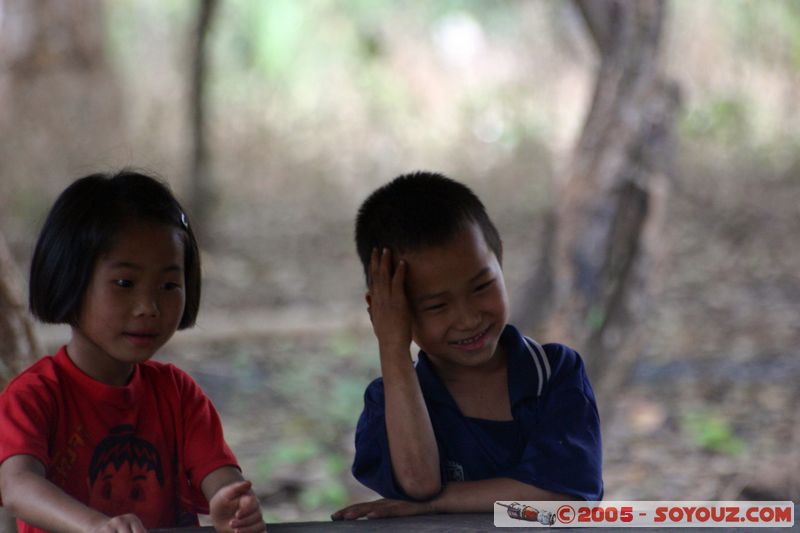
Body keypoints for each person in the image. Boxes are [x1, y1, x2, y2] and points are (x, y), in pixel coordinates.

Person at [0, 171, 266, 533]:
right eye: (124, 283)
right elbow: (17, 486)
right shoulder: (34, 396)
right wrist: (97, 526)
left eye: (169, 284)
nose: (149, 307)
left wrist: (232, 504)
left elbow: (221, 478)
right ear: (69, 279)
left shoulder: (178, 394)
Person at [333, 171, 602, 520]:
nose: (468, 318)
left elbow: (563, 493)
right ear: (389, 309)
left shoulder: (553, 373)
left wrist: (438, 504)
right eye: (436, 306)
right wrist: (393, 346)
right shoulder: (389, 402)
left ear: (499, 256)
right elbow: (419, 482)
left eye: (480, 287)